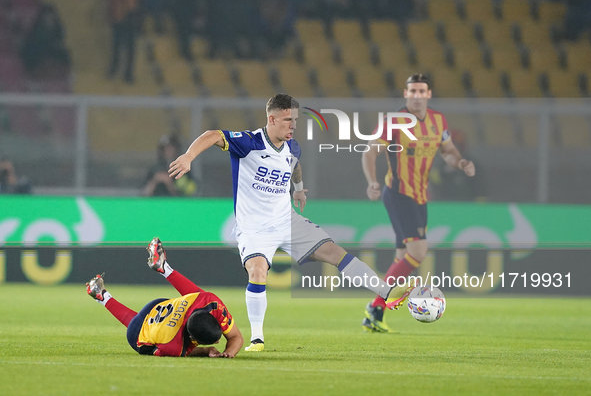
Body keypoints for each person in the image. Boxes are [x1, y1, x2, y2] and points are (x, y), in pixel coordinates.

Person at [168, 93, 395, 352]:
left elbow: (294, 164)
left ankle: (386, 292)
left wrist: (298, 188)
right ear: (272, 118)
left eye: (295, 119)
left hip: (286, 220)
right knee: (257, 271)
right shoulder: (249, 142)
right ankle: (257, 338)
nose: (293, 125)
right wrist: (188, 157)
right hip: (254, 227)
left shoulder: (292, 146)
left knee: (335, 252)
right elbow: (212, 134)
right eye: (288, 120)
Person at [360, 74, 475, 333]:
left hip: (421, 197)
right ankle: (375, 304)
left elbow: (448, 151)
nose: (416, 95)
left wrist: (461, 163)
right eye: (412, 91)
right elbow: (370, 152)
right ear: (406, 94)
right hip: (399, 192)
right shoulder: (393, 121)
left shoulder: (438, 120)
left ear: (428, 94)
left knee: (403, 256)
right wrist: (371, 181)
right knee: (419, 252)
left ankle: (375, 310)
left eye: (421, 91)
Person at [86, 237, 243, 357]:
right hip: (139, 332)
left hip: (158, 305)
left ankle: (163, 268)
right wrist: (206, 350)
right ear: (192, 339)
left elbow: (235, 338)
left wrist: (228, 352)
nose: (218, 340)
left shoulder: (212, 303)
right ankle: (103, 297)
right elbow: (147, 348)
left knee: (201, 296)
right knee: (139, 328)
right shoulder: (173, 346)